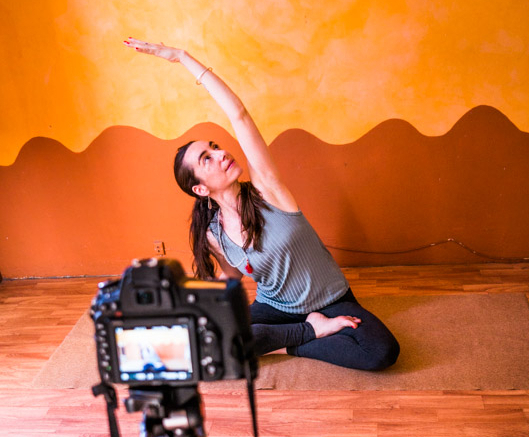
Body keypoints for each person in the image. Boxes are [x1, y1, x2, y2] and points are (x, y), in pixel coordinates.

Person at [124, 37, 400, 370]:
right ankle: (308, 332)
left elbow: (239, 115)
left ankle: (287, 340)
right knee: (211, 339)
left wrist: (181, 57)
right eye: (207, 158)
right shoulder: (214, 234)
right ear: (200, 189)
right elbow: (230, 282)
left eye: (215, 147)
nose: (221, 154)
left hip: (331, 300)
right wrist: (203, 311)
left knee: (381, 352)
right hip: (275, 308)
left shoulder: (267, 190)